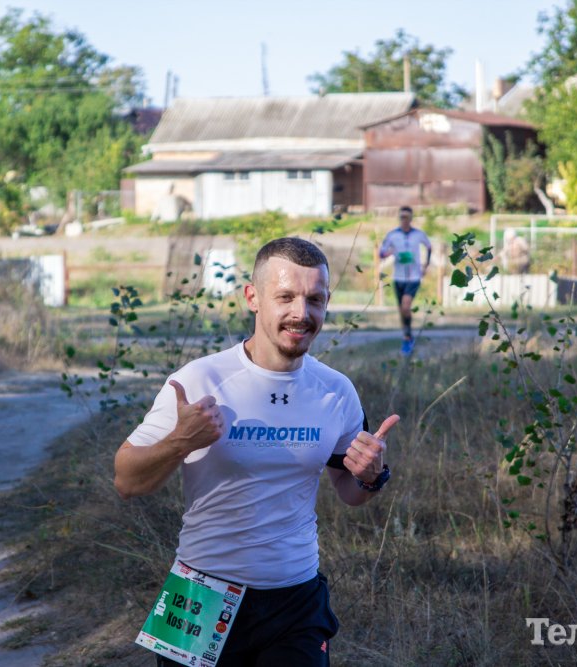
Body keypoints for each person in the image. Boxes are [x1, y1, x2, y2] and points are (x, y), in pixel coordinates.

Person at [114, 237, 400, 666]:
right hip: (200, 595)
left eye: (314, 299)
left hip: (296, 600)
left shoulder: (336, 391)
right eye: (285, 297)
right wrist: (180, 442)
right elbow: (126, 481)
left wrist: (370, 477)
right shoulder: (200, 380)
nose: (301, 313)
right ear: (252, 297)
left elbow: (350, 491)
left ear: (327, 302)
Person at [378, 206, 432, 356]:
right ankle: (407, 336)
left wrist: (426, 265)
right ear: (399, 218)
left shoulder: (418, 234)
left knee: (406, 306)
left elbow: (429, 247)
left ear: (411, 218)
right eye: (402, 217)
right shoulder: (392, 235)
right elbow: (381, 253)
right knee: (402, 310)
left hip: (414, 277)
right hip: (398, 277)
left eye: (407, 217)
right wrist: (389, 253)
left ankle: (408, 337)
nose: (404, 220)